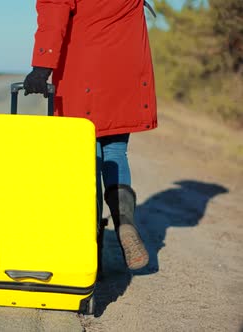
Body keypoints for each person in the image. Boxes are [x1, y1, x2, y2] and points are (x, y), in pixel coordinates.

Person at [23, 0, 157, 270]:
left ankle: (87, 237)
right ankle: (124, 221)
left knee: (85, 153)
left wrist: (42, 66)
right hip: (125, 67)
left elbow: (53, 13)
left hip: (83, 70)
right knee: (116, 149)